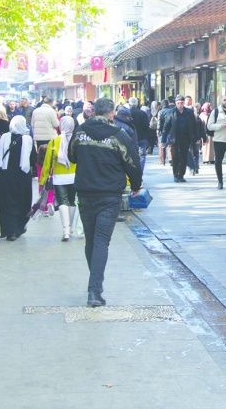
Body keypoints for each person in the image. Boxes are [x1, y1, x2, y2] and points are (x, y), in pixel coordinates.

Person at [68, 97, 143, 307]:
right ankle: (94, 290)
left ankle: (94, 284)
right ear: (111, 114)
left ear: (94, 112)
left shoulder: (80, 131)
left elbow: (71, 156)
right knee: (101, 240)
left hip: (85, 192)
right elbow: (132, 162)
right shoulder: (119, 135)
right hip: (109, 194)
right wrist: (136, 185)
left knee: (91, 240)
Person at [0, 116, 37, 241]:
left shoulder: (4, 137)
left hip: (5, 176)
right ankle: (18, 227)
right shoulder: (27, 140)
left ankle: (9, 229)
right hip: (22, 177)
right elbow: (33, 159)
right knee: (22, 202)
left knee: (6, 202)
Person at [40, 116, 79, 242]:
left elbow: (47, 163)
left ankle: (65, 230)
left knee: (63, 201)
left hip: (59, 177)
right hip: (75, 176)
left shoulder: (54, 142)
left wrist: (43, 179)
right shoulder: (77, 141)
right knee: (72, 201)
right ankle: (71, 228)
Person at [163, 94, 198, 183]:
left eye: (181, 103)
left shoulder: (189, 112)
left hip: (186, 137)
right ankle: (175, 175)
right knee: (175, 157)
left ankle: (181, 175)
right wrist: (163, 139)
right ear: (175, 103)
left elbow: (194, 125)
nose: (180, 105)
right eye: (178, 103)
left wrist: (197, 137)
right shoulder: (171, 112)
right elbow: (166, 126)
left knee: (184, 156)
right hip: (175, 138)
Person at [129, 97, 150, 170]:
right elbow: (147, 126)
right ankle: (140, 172)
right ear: (137, 103)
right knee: (142, 155)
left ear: (129, 104)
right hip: (142, 137)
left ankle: (133, 172)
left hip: (130, 138)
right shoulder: (142, 113)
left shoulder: (127, 113)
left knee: (131, 155)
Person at [187, 103, 206, 175]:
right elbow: (201, 129)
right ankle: (194, 168)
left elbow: (201, 129)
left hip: (195, 139)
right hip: (192, 139)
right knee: (194, 153)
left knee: (193, 153)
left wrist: (203, 138)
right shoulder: (196, 118)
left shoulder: (197, 118)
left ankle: (194, 168)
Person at [157, 99, 174, 166]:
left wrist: (158, 131)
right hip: (170, 130)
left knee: (162, 146)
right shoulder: (171, 111)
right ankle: (171, 159)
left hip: (162, 131)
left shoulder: (161, 112)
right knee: (170, 145)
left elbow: (159, 123)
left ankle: (162, 161)